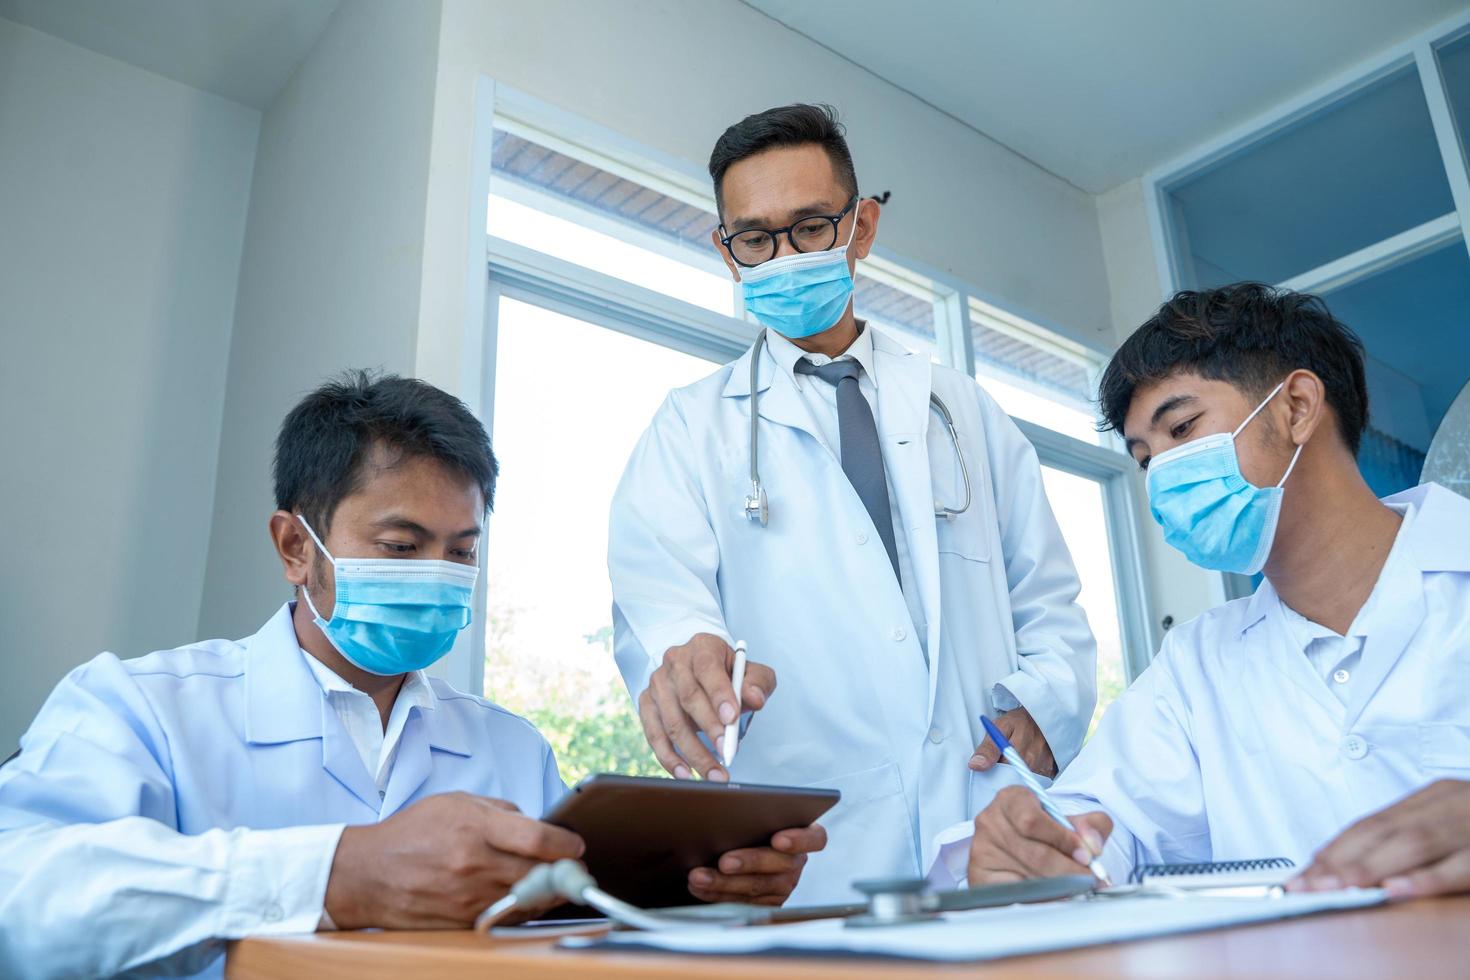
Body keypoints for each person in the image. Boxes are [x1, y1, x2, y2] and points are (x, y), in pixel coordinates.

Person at [0, 372, 826, 979]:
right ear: (295, 548)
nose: (437, 572)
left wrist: (694, 902)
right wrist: (335, 875)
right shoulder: (137, 706)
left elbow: (560, 937)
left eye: (461, 552)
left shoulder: (509, 747)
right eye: (401, 548)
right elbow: (23, 903)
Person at [607, 103, 1096, 903]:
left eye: (808, 228)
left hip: (986, 820)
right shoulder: (691, 428)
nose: (782, 256)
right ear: (727, 252)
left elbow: (1046, 595)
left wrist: (1048, 707)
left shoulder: (961, 409)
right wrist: (687, 657)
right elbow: (660, 601)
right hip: (812, 853)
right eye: (755, 239)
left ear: (861, 227)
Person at [960, 283, 1470, 898]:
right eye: (1146, 459)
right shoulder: (1199, 662)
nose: (1164, 476)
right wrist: (1038, 843)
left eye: (1182, 428)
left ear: (1298, 406)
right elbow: (1102, 823)